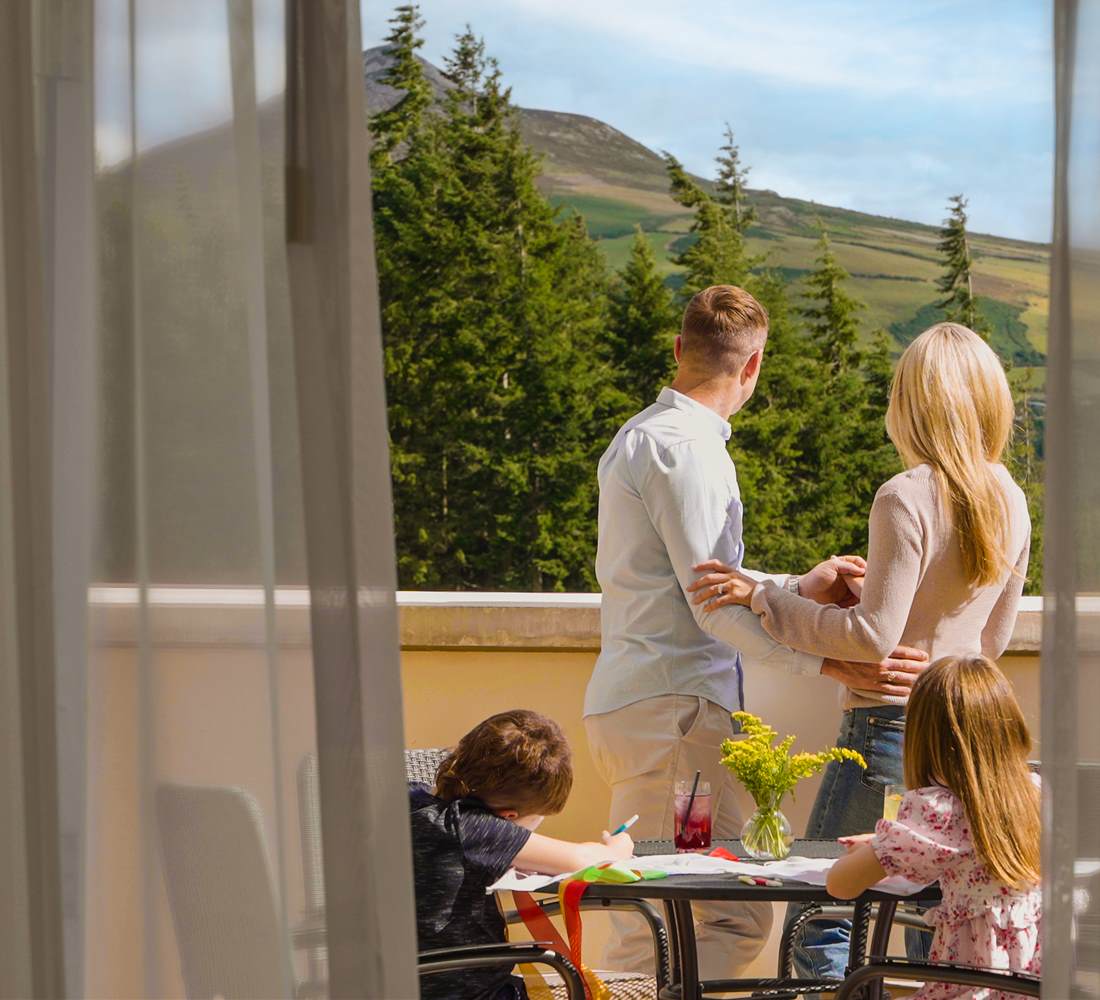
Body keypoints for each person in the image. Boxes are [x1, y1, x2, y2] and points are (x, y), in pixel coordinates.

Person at [584, 283, 929, 980]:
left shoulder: (643, 437)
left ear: (679, 349)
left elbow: (701, 581)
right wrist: (828, 666)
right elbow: (712, 604)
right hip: (676, 716)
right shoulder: (688, 450)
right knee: (667, 919)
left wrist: (796, 587)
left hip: (656, 707)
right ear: (753, 365)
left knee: (698, 916)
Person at [689, 321, 1031, 982]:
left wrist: (764, 597)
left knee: (826, 909)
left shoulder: (906, 494)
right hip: (968, 733)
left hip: (891, 730)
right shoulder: (1009, 497)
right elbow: (989, 643)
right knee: (933, 913)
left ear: (912, 403)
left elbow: (872, 640)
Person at [827, 655, 1041, 998]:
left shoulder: (939, 812)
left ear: (923, 740)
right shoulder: (1037, 794)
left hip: (971, 991)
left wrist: (877, 846)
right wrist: (887, 841)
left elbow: (840, 884)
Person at [409, 709, 634, 1000]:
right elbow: (583, 859)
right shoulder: (477, 827)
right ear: (509, 817)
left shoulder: (409, 802)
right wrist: (617, 848)